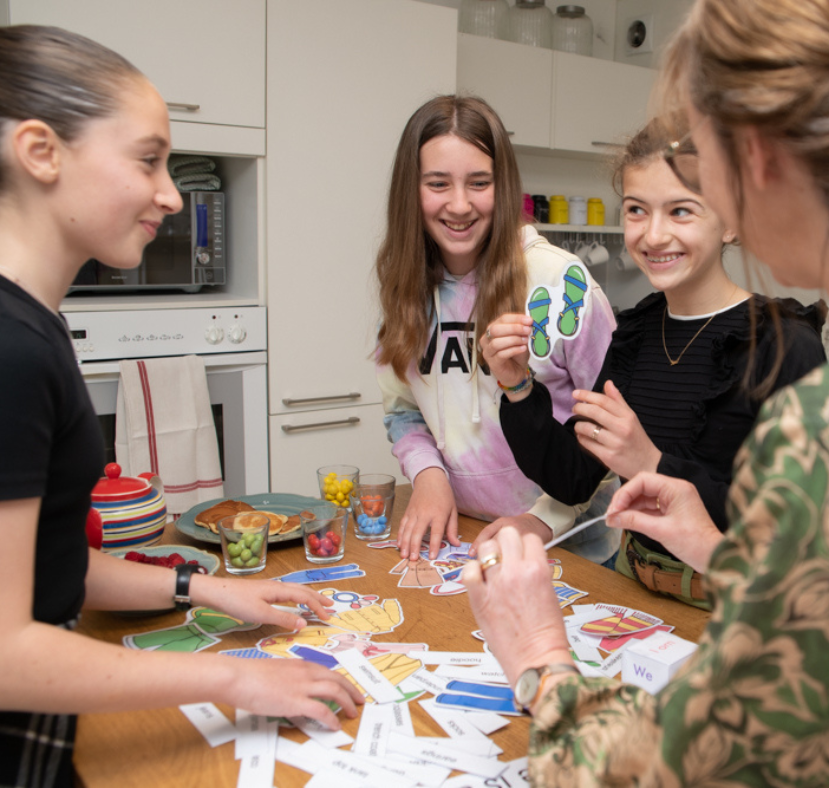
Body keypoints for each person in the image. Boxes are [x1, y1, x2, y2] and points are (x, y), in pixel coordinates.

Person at [464, 0, 829, 783]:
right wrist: (726, 556)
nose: (658, 226)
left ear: (751, 157)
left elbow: (683, 773)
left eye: (697, 168)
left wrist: (539, 660)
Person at [0, 26, 362, 787]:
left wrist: (206, 587)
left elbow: (51, 568)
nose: (170, 193)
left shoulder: (38, 323)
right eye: (147, 158)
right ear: (41, 152)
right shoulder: (13, 347)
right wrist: (235, 679)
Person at [479, 115, 827, 607]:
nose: (653, 235)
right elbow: (572, 478)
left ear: (730, 222)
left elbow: (797, 532)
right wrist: (516, 386)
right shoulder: (635, 335)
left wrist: (650, 462)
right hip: (630, 586)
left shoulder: (787, 346)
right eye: (637, 210)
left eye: (681, 211)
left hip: (735, 606)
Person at [375, 94, 620, 565]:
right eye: (438, 183)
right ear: (411, 189)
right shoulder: (404, 284)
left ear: (502, 185)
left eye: (479, 182)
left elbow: (611, 427)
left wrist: (542, 518)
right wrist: (429, 477)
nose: (460, 204)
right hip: (460, 540)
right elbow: (402, 409)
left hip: (571, 551)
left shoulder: (560, 283)